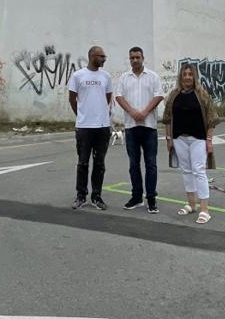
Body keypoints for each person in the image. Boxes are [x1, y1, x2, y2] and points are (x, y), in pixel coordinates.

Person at [161, 61, 219, 224]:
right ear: (181, 77)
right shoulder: (174, 95)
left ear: (195, 77)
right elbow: (167, 119)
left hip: (198, 139)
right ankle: (191, 204)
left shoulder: (202, 94)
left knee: (199, 171)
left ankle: (204, 209)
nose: (187, 77)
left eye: (190, 74)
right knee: (186, 171)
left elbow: (212, 119)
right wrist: (169, 139)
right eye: (184, 74)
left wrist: (209, 140)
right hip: (179, 138)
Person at [114, 46, 165, 213]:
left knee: (151, 164)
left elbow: (158, 95)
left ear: (143, 58)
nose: (135, 60)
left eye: (137, 57)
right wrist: (132, 112)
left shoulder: (153, 77)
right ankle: (136, 197)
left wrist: (144, 112)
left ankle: (151, 199)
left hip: (149, 127)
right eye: (132, 58)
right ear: (130, 60)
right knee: (133, 164)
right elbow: (119, 96)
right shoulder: (124, 78)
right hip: (131, 127)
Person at [67, 46, 112, 210]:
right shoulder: (78, 76)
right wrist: (81, 115)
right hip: (84, 127)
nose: (104, 59)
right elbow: (72, 98)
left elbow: (108, 98)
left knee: (99, 163)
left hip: (102, 127)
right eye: (101, 56)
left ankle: (97, 197)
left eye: (104, 56)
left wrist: (100, 114)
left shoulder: (106, 76)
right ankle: (81, 196)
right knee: (83, 163)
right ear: (92, 56)